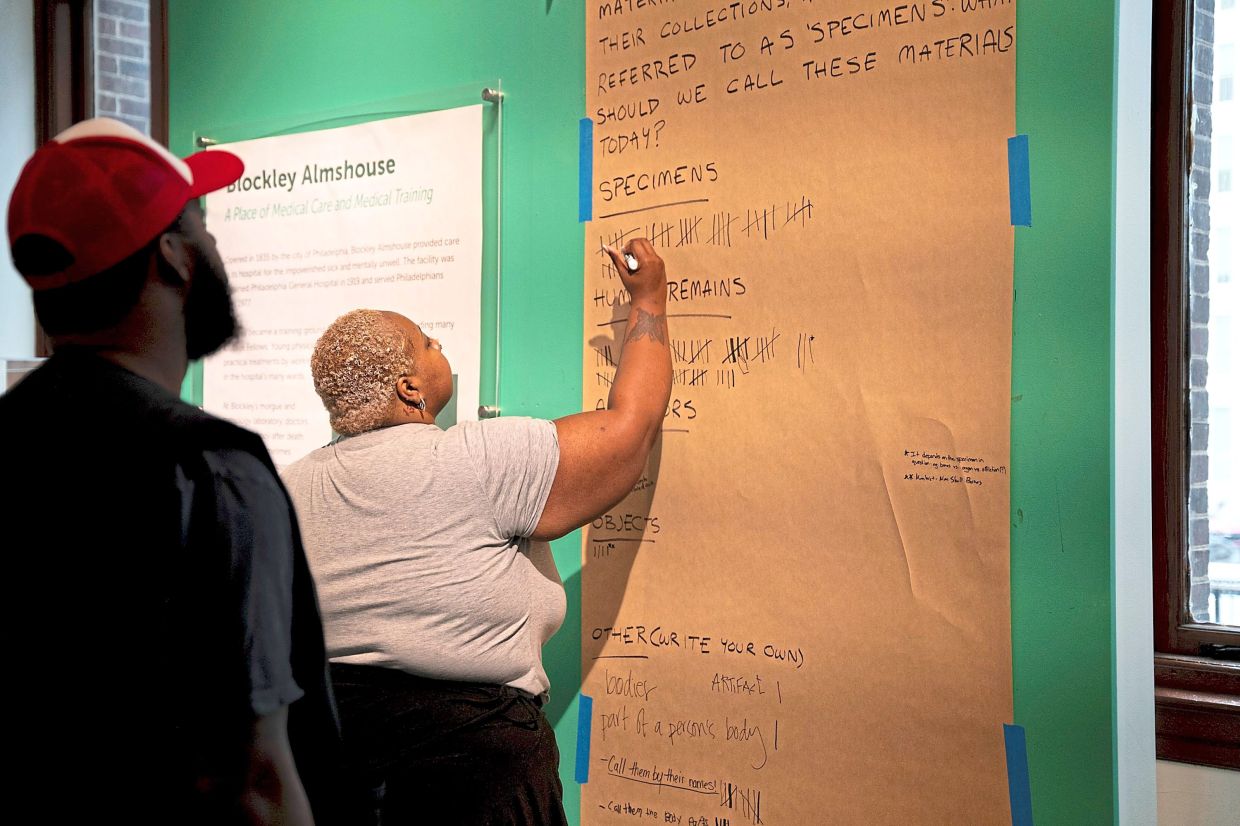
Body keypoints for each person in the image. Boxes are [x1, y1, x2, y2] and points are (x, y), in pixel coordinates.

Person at [1, 118, 349, 824]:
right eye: (203, 226)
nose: (216, 247)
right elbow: (254, 780)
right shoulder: (211, 468)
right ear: (175, 258)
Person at [280, 238, 673, 824]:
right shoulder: (475, 459)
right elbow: (630, 429)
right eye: (428, 343)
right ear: (410, 388)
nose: (441, 347)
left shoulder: (286, 487)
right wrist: (650, 301)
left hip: (324, 761)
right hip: (471, 771)